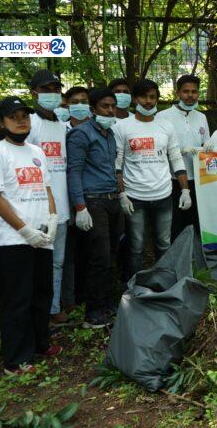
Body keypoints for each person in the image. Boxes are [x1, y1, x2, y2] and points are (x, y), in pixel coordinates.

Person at [0, 96, 62, 375]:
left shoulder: (36, 152)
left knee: (42, 294)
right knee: (18, 299)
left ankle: (40, 343)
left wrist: (52, 219)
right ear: (1, 122)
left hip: (42, 237)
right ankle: (16, 358)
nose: (20, 120)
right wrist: (24, 229)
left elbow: (47, 188)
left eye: (24, 115)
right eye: (13, 116)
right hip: (15, 240)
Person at [113, 79, 191, 279]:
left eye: (152, 97)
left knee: (164, 244)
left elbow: (175, 158)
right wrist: (121, 194)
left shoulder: (166, 126)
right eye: (144, 97)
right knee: (136, 247)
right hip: (134, 197)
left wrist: (185, 190)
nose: (148, 102)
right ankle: (134, 289)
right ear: (135, 98)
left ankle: (163, 284)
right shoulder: (121, 127)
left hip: (163, 194)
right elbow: (117, 164)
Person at [66, 87, 121, 329]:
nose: (110, 111)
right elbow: (74, 172)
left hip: (111, 200)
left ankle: (107, 303)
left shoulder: (109, 134)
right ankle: (93, 312)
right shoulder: (80, 134)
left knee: (111, 255)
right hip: (93, 201)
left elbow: (111, 169)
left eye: (113, 106)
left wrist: (122, 194)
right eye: (105, 107)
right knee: (97, 258)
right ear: (93, 108)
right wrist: (80, 207)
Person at [26, 70, 70, 326]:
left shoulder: (61, 125)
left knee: (58, 262)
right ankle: (37, 310)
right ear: (34, 93)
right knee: (35, 263)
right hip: (35, 207)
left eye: (55, 90)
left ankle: (53, 310)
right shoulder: (29, 123)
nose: (52, 94)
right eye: (46, 90)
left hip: (61, 205)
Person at [156, 74, 210, 240]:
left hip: (199, 180)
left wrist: (208, 147)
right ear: (177, 93)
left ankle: (195, 260)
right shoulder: (163, 116)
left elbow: (206, 144)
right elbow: (158, 149)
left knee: (197, 222)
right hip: (173, 179)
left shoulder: (201, 117)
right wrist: (180, 151)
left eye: (194, 91)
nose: (190, 95)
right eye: (186, 91)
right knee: (175, 224)